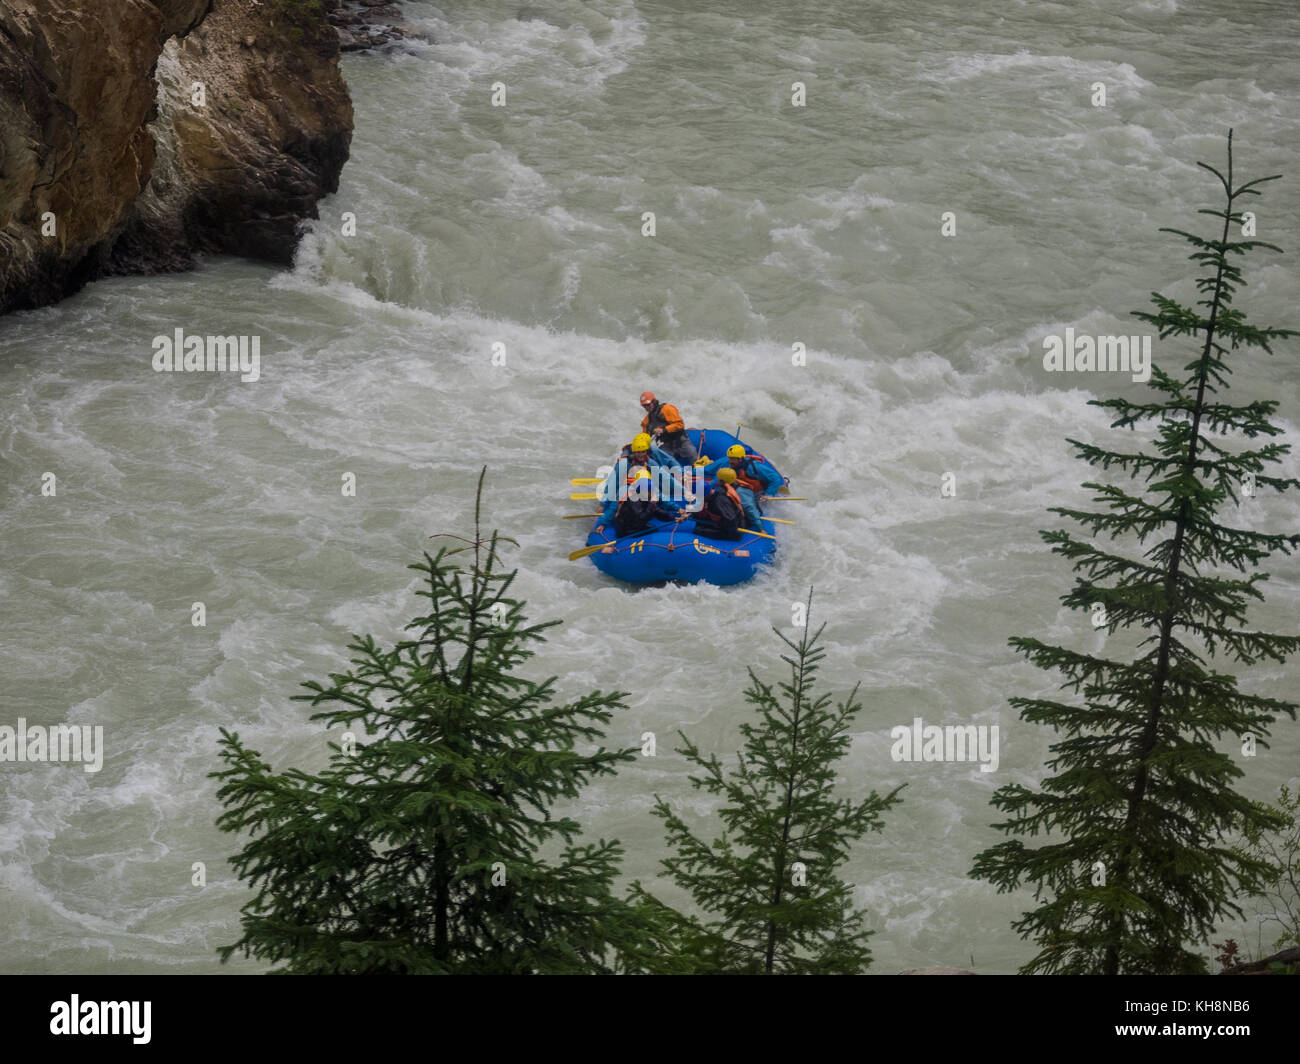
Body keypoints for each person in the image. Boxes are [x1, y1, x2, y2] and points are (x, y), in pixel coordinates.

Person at [700, 443, 784, 521]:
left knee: (750, 508)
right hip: (742, 489)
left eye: (732, 459)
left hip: (758, 492)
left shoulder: (754, 467)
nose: (730, 461)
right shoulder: (727, 463)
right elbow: (716, 478)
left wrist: (768, 494)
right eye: (729, 458)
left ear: (740, 459)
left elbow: (775, 478)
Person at [598, 468, 684, 538]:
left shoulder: (647, 497)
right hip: (626, 530)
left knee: (653, 528)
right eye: (648, 491)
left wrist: (674, 517)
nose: (650, 493)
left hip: (636, 525)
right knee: (651, 528)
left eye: (650, 490)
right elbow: (613, 509)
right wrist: (602, 523)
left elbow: (659, 511)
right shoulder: (628, 498)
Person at [639, 391, 697, 463]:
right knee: (661, 459)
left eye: (648, 405)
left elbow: (680, 424)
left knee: (692, 453)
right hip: (666, 445)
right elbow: (644, 437)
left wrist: (664, 429)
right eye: (644, 406)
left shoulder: (667, 409)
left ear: (654, 402)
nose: (646, 408)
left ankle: (699, 470)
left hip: (680, 441)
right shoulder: (646, 421)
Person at [691, 467, 744, 540]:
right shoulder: (713, 492)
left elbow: (731, 520)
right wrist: (692, 514)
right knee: (700, 524)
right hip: (721, 521)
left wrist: (718, 525)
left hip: (732, 531)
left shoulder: (720, 501)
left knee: (698, 530)